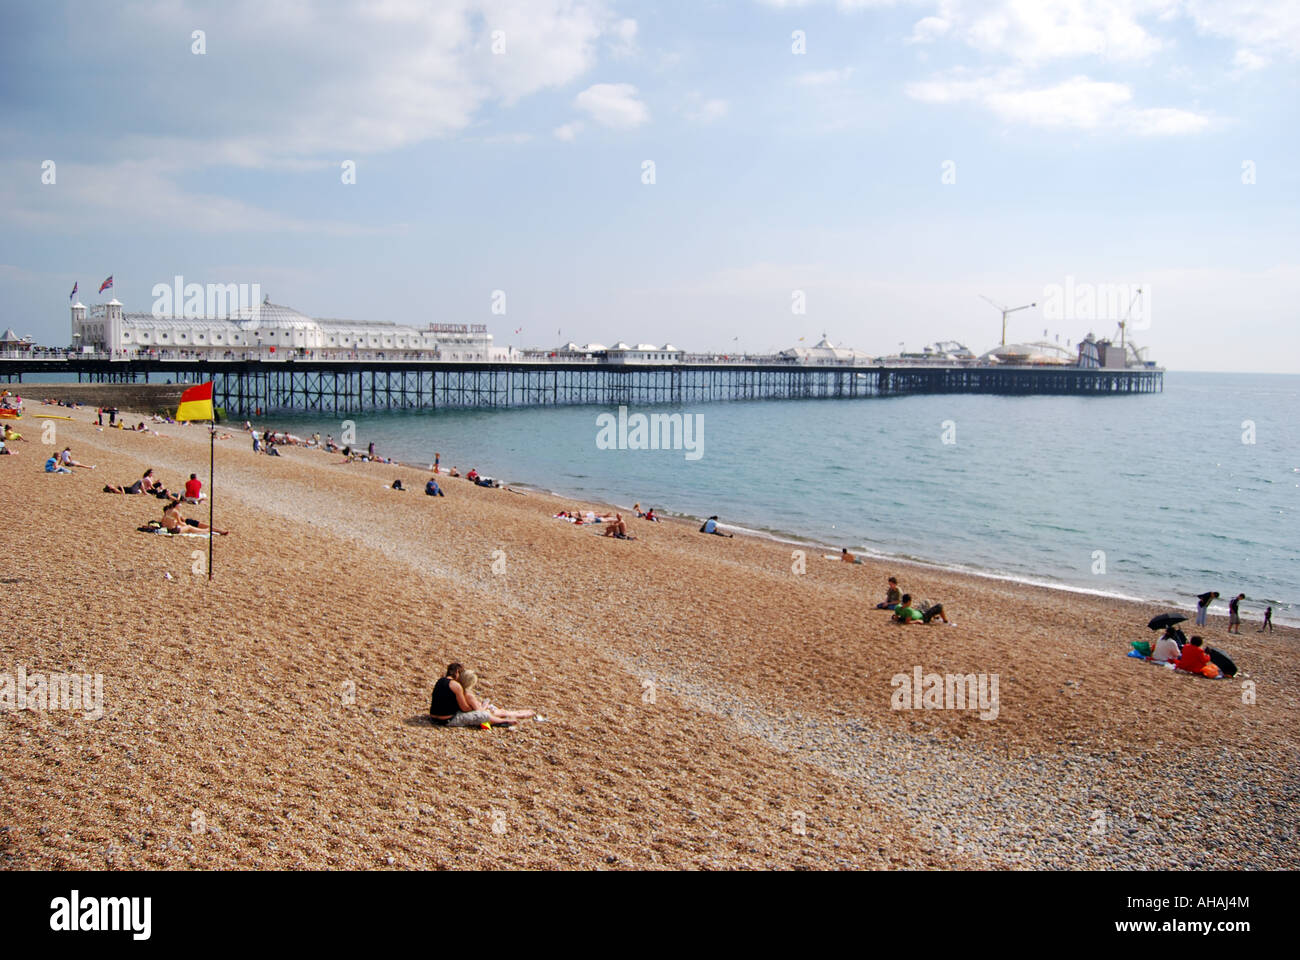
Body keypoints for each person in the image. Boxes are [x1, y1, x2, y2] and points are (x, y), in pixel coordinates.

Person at [429, 662, 511, 728]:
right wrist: (475, 707)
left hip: (433, 717)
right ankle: (503, 722)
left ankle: (499, 717)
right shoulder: (456, 686)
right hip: (446, 720)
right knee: (482, 715)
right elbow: (464, 708)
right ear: (457, 672)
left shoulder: (440, 681)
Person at [458, 669, 536, 723]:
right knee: (503, 713)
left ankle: (522, 713)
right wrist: (485, 704)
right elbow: (480, 712)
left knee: (503, 712)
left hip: (474, 712)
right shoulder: (468, 695)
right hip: (482, 713)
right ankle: (524, 714)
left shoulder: (459, 691)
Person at [161, 499, 229, 535]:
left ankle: (219, 531)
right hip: (185, 522)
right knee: (200, 525)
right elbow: (180, 521)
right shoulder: (175, 512)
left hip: (183, 523)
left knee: (199, 525)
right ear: (177, 505)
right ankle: (214, 530)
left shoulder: (169, 511)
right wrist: (183, 523)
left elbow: (164, 521)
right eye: (179, 505)